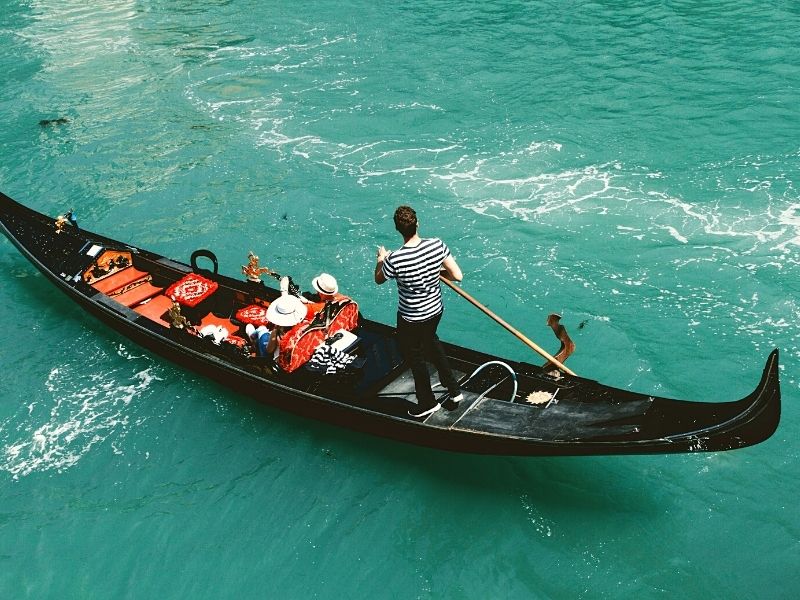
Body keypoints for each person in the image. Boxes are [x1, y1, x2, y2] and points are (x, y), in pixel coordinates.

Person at [374, 205, 463, 418]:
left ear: (397, 229)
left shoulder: (394, 259)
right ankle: (454, 389)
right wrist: (432, 271)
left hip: (411, 318)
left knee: (415, 358)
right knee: (431, 340)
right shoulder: (437, 245)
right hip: (435, 311)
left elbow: (379, 279)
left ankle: (427, 402)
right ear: (418, 223)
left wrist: (380, 260)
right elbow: (456, 275)